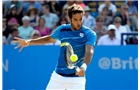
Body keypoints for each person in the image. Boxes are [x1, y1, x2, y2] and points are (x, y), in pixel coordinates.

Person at [14, 4, 97, 90]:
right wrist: (29, 42)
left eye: (80, 19)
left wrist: (83, 67)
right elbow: (49, 39)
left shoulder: (89, 34)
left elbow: (89, 52)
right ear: (69, 19)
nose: (79, 22)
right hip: (58, 77)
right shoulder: (62, 30)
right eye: (75, 19)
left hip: (77, 80)